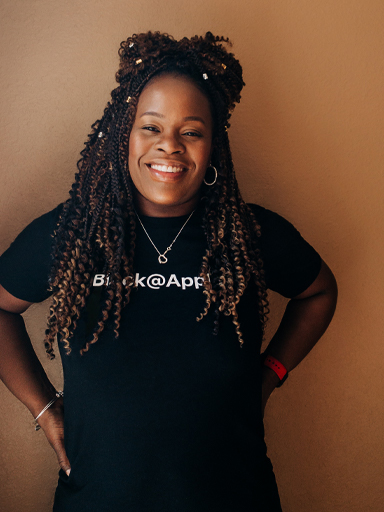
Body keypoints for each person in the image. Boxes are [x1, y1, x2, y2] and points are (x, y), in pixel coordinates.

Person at [0, 32, 337, 512]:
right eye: (151, 128)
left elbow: (320, 292)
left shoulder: (249, 235)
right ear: (124, 134)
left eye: (191, 131)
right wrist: (45, 408)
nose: (170, 147)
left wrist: (269, 375)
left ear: (213, 144)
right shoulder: (71, 233)